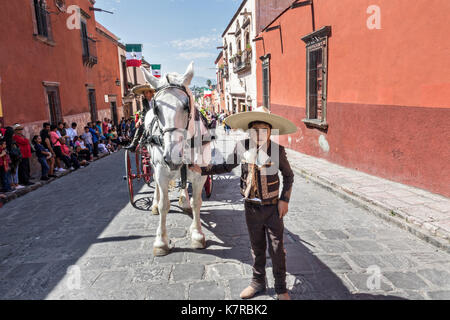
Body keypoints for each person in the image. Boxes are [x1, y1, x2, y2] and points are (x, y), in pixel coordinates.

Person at [189, 106, 297, 300]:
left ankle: (281, 288)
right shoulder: (242, 146)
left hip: (273, 208)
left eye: (264, 130)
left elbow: (288, 176)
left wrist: (284, 200)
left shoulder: (277, 150)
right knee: (256, 247)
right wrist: (202, 170)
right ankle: (257, 283)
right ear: (249, 131)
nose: (259, 134)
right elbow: (226, 166)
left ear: (270, 131)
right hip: (251, 208)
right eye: (255, 130)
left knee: (277, 249)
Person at [125, 84, 156, 152]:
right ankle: (134, 144)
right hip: (149, 118)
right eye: (144, 93)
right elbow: (144, 111)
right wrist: (139, 120)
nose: (145, 94)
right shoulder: (144, 101)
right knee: (140, 127)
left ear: (151, 93)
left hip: (157, 117)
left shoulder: (156, 99)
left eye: (146, 92)